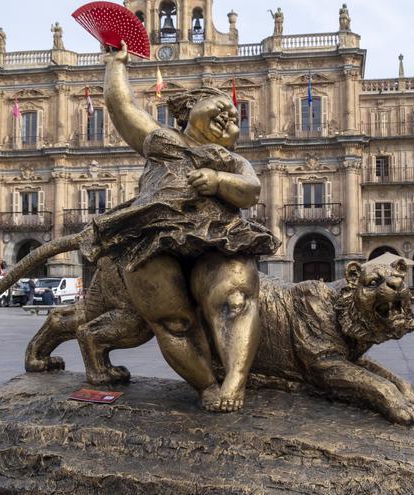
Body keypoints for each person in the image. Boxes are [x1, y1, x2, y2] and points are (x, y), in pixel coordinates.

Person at [78, 41, 279, 413]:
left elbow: (251, 191)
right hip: (153, 237)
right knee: (172, 321)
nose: (230, 117)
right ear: (189, 109)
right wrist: (116, 65)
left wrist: (219, 180)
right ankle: (205, 385)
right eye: (221, 107)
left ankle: (235, 379)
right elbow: (122, 108)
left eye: (236, 116)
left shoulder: (230, 159)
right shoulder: (163, 142)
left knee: (234, 299)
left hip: (217, 236)